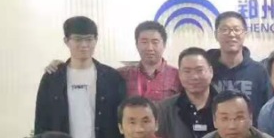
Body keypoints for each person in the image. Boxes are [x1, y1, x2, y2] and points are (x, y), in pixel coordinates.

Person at [34, 16, 126, 138]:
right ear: (66, 41)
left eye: (89, 39)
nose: (84, 45)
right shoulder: (53, 78)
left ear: (96, 40)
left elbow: (121, 122)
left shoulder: (112, 78)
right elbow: (41, 122)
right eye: (77, 39)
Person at [40, 20, 180, 101]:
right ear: (136, 44)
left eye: (155, 42)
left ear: (164, 44)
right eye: (144, 42)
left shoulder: (178, 76)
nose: (149, 47)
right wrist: (62, 66)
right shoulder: (120, 75)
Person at [206, 11, 271, 121]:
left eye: (236, 29)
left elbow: (267, 109)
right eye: (225, 30)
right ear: (216, 34)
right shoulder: (206, 70)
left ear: (245, 34)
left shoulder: (259, 71)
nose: (231, 34)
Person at [157, 47, 216, 138]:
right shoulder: (164, 109)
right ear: (179, 74)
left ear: (211, 71)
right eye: (187, 71)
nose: (194, 77)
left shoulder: (226, 105)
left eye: (199, 70)